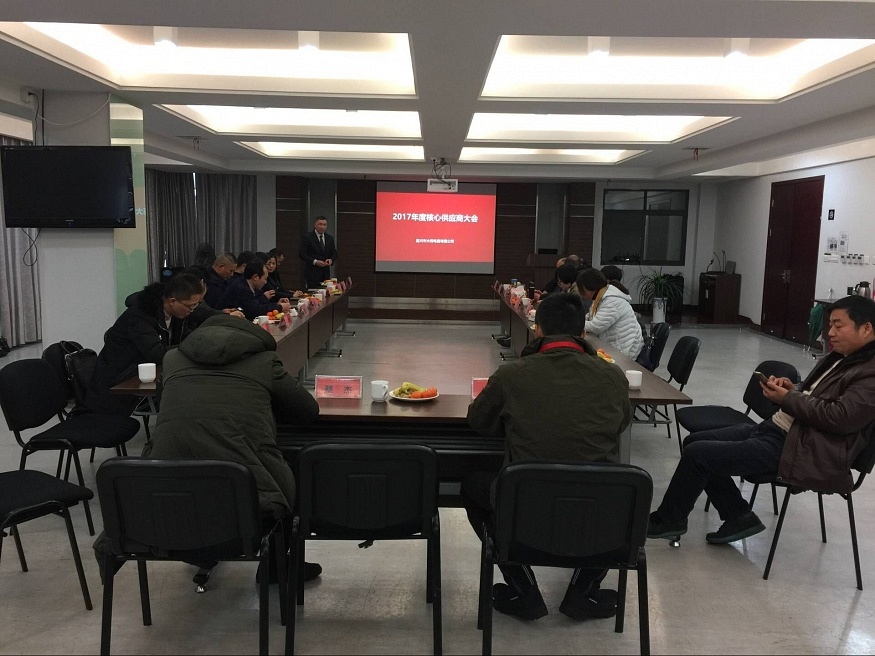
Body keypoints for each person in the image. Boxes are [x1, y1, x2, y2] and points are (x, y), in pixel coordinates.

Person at [648, 295, 875, 545]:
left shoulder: (869, 372)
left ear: (866, 328)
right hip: (779, 431)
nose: (830, 333)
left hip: (801, 448)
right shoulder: (842, 357)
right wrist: (793, 389)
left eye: (838, 326)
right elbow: (818, 396)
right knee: (693, 442)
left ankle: (670, 519)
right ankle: (738, 516)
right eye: (830, 325)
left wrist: (788, 398)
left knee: (698, 455)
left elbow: (840, 417)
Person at [462, 292, 631, 622]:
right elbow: (621, 423)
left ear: (537, 330)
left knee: (473, 487)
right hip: (596, 510)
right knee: (618, 496)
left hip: (526, 509)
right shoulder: (613, 377)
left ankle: (522, 588)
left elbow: (479, 422)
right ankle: (584, 591)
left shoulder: (512, 375)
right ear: (583, 333)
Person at [142, 313, 323, 581]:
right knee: (287, 473)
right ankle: (276, 567)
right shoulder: (264, 362)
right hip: (246, 498)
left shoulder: (171, 360)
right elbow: (307, 411)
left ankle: (200, 549)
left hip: (165, 495)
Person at [87, 273, 205, 416]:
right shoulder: (140, 315)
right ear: (172, 301)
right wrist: (192, 347)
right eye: (190, 306)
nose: (192, 311)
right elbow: (157, 353)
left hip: (142, 376)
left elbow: (186, 340)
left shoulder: (178, 315)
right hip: (118, 382)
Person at [577, 268, 644, 359]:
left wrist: (575, 323)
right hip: (613, 345)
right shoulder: (601, 296)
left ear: (588, 288)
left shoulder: (612, 300)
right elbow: (589, 317)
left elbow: (595, 326)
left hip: (624, 351)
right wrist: (578, 319)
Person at [217, 260, 292, 320]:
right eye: (265, 279)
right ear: (255, 277)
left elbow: (257, 304)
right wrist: (279, 307)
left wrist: (277, 304)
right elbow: (255, 311)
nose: (265, 282)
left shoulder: (252, 286)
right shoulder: (241, 288)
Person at [299, 216, 337, 289]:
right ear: (315, 225)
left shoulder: (329, 238)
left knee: (326, 294)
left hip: (325, 274)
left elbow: (334, 253)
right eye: (320, 224)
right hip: (312, 274)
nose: (322, 227)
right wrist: (315, 262)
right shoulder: (307, 237)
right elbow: (302, 253)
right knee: (313, 293)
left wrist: (331, 260)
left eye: (324, 225)